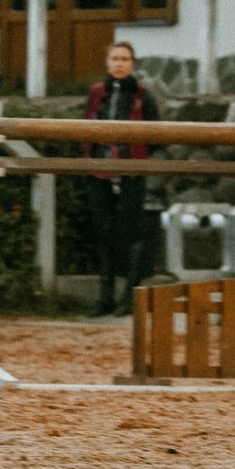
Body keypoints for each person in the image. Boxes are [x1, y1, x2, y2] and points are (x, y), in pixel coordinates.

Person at [83, 41, 155, 316]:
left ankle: (130, 297)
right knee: (103, 231)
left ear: (132, 63)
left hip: (132, 171)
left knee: (132, 231)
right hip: (99, 170)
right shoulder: (96, 92)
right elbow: (85, 124)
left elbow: (156, 131)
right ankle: (105, 298)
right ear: (107, 62)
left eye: (125, 59)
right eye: (115, 58)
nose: (119, 64)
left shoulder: (143, 95)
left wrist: (136, 157)